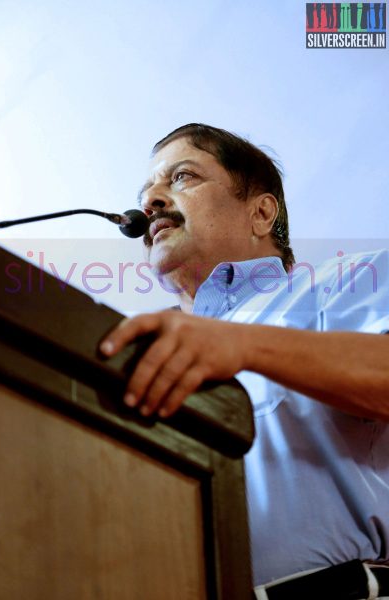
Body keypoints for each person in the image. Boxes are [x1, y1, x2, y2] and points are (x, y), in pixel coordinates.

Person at [99, 124, 389, 598]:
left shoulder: (350, 279)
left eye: (182, 177)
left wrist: (243, 346)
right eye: (147, 190)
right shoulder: (136, 352)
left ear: (260, 212)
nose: (151, 199)